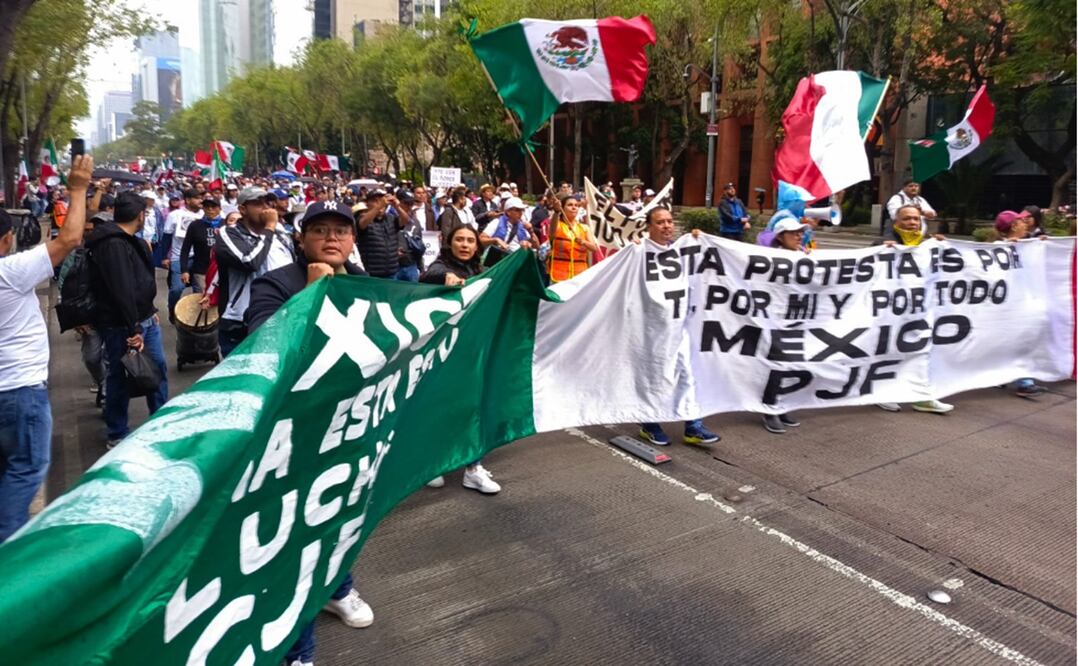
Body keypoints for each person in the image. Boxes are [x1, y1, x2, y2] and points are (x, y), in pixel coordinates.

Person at [0, 155, 92, 542]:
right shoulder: (10, 271)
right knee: (25, 469)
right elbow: (69, 239)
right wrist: (78, 189)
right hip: (20, 393)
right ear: (6, 239)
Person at [420, 224, 502, 495]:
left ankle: (473, 468)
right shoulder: (440, 266)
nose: (465, 245)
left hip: (475, 350)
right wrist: (446, 279)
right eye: (460, 240)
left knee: (475, 408)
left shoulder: (481, 270)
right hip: (444, 351)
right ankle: (432, 463)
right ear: (449, 243)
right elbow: (431, 274)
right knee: (442, 407)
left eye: (470, 240)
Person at [86, 190, 169, 448]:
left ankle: (162, 423)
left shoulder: (129, 239)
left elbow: (138, 284)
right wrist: (133, 327)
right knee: (121, 376)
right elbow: (121, 289)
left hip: (142, 318)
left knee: (156, 370)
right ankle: (117, 432)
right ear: (140, 215)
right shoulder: (114, 244)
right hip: (123, 324)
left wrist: (149, 311)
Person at [636, 207, 721, 447]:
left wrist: (699, 240)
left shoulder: (681, 251)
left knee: (687, 374)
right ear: (649, 227)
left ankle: (693, 425)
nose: (666, 226)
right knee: (655, 377)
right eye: (660, 222)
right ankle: (648, 423)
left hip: (679, 328)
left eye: (670, 222)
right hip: (651, 331)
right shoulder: (638, 253)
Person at [876, 204, 954, 414]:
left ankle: (922, 396)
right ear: (896, 223)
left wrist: (944, 247)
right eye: (907, 219)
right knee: (890, 352)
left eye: (916, 219)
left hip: (920, 309)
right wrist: (884, 248)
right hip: (891, 311)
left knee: (923, 351)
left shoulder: (929, 245)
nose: (912, 223)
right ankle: (883, 392)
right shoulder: (884, 244)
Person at [215, 187, 296, 356]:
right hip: (240, 325)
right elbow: (249, 261)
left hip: (281, 320)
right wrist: (269, 228)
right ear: (243, 209)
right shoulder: (229, 233)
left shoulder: (280, 234)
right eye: (258, 204)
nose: (266, 208)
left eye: (268, 203)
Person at [761, 219, 810, 434]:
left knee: (791, 363)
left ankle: (780, 405)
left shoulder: (803, 254)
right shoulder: (771, 258)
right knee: (777, 362)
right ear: (780, 237)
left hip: (797, 318)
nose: (799, 236)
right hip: (775, 318)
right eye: (793, 233)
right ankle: (770, 407)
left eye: (800, 233)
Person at [161, 188, 203, 320]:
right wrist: (164, 257)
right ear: (188, 200)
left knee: (200, 291)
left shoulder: (204, 216)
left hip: (199, 259)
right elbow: (167, 237)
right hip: (178, 257)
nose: (200, 200)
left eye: (201, 198)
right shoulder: (175, 215)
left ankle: (198, 318)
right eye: (197, 198)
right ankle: (173, 310)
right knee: (176, 289)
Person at [356, 189, 411, 279]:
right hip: (372, 274)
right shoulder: (363, 217)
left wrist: (397, 207)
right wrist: (378, 206)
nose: (380, 203)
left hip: (392, 272)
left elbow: (405, 220)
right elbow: (362, 224)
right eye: (375, 201)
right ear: (367, 204)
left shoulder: (391, 218)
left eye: (382, 200)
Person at [546, 193, 598, 283]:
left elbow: (594, 248)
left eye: (576, 205)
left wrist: (583, 242)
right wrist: (556, 212)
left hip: (580, 275)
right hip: (560, 275)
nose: (574, 208)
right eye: (570, 205)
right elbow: (552, 233)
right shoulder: (557, 225)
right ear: (562, 208)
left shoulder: (584, 228)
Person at [179, 197, 223, 293]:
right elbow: (185, 249)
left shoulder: (225, 225)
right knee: (201, 298)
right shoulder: (195, 225)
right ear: (203, 209)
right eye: (207, 207)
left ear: (220, 208)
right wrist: (184, 270)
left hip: (221, 271)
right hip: (201, 270)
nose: (210, 209)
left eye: (213, 207)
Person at [394, 191, 424, 281]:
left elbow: (419, 243)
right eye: (406, 203)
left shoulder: (415, 221)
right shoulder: (390, 218)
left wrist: (421, 267)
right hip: (394, 267)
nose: (409, 206)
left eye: (411, 203)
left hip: (411, 265)